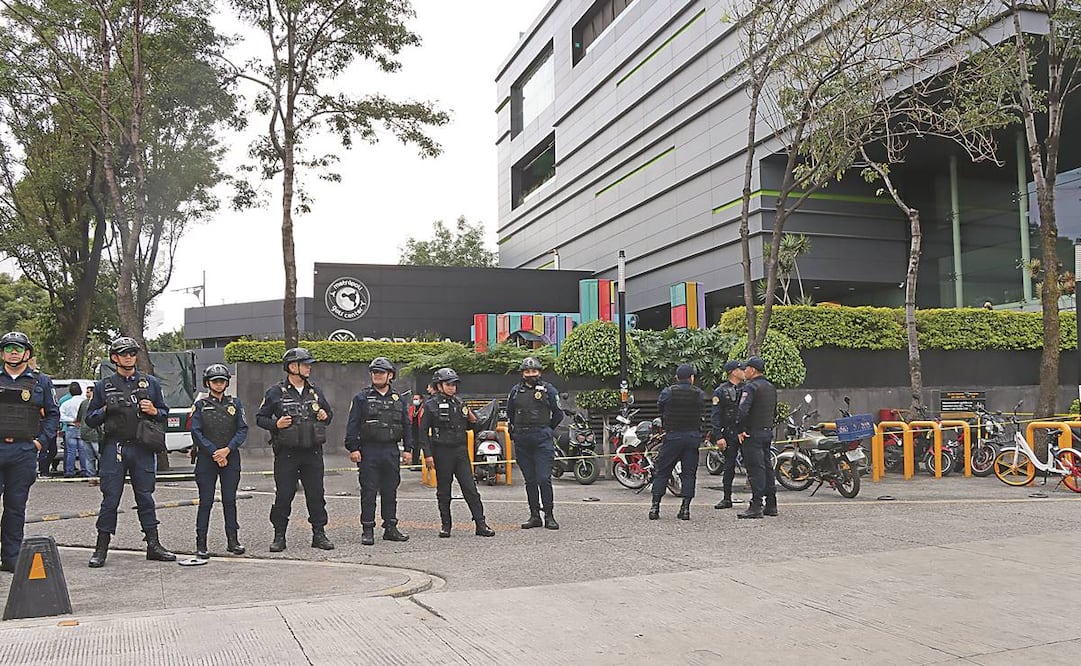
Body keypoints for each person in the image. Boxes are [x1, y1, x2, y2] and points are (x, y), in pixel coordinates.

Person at [84, 336, 175, 567]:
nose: (129, 357)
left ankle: (153, 544)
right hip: (115, 448)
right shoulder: (103, 386)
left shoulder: (150, 383)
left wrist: (154, 410)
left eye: (132, 353)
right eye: (124, 354)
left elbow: (165, 413)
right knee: (110, 499)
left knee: (145, 497)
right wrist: (106, 408)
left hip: (142, 447)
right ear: (114, 358)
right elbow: (90, 420)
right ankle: (101, 547)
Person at [256, 347, 334, 552]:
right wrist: (276, 424)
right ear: (292, 367)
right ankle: (279, 536)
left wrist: (326, 416)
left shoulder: (315, 391)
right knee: (284, 495)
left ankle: (319, 534)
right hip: (287, 454)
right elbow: (260, 418)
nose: (309, 367)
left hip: (313, 452)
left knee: (316, 495)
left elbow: (329, 413)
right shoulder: (275, 392)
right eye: (305, 364)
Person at [0, 332, 59, 573]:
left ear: (27, 353)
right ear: (3, 353)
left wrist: (40, 442)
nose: (13, 351)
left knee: (15, 507)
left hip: (23, 451)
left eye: (18, 348)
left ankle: (11, 557)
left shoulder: (40, 381)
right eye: (9, 347)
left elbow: (53, 415)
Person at [419, 368, 494, 538]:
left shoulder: (460, 403)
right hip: (441, 451)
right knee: (444, 491)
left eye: (454, 384)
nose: (452, 388)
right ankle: (446, 525)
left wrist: (473, 421)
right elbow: (423, 432)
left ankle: (480, 524)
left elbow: (471, 426)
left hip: (460, 451)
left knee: (470, 488)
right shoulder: (430, 405)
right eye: (448, 384)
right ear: (439, 385)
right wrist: (428, 455)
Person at [344, 357, 411, 546]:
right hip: (369, 450)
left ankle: (390, 527)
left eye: (381, 372)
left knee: (390, 490)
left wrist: (408, 449)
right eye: (374, 372)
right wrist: (353, 448)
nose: (377, 375)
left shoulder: (398, 399)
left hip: (391, 449)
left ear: (390, 375)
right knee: (369, 491)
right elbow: (353, 425)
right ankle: (367, 529)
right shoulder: (361, 397)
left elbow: (406, 425)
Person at [190, 364, 248, 559]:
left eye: (222, 380)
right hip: (207, 458)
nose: (219, 384)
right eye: (215, 381)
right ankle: (201, 543)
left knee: (230, 500)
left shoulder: (235, 404)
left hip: (230, 457)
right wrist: (215, 452)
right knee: (205, 501)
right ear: (208, 383)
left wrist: (227, 450)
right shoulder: (200, 405)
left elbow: (242, 429)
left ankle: (233, 541)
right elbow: (196, 432)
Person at [506, 357, 562, 530]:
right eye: (527, 372)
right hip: (523, 440)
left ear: (540, 372)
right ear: (522, 373)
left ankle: (549, 516)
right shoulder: (515, 391)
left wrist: (546, 430)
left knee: (544, 479)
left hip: (542, 439)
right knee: (530, 480)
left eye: (534, 371)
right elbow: (510, 413)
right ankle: (534, 515)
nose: (531, 374)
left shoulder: (549, 390)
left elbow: (558, 414)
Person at [650, 364, 706, 521]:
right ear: (692, 377)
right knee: (689, 474)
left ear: (676, 377)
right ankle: (685, 509)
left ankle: (655, 507)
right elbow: (702, 412)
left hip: (673, 436)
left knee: (663, 471)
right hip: (692, 437)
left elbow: (660, 408)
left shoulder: (668, 392)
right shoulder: (699, 394)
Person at [736, 356, 779, 519]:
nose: (744, 371)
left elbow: (742, 411)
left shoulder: (751, 387)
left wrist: (741, 429)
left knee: (755, 469)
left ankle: (756, 506)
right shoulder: (770, 387)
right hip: (766, 431)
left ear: (753, 370)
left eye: (746, 368)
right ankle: (771, 504)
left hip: (752, 433)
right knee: (767, 468)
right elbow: (774, 411)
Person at [711, 360, 745, 510]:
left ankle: (758, 499)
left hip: (744, 431)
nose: (743, 371)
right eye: (740, 369)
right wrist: (718, 436)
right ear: (732, 371)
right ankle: (726, 498)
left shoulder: (747, 388)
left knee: (753, 464)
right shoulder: (720, 391)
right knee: (729, 466)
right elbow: (716, 415)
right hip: (729, 432)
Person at [59, 383, 89, 478]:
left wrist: (71, 420)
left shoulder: (67, 403)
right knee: (83, 451)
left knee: (70, 452)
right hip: (82, 428)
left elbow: (60, 416)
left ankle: (69, 472)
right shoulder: (85, 402)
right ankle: (85, 471)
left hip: (70, 427)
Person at [77, 386, 100, 479]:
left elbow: (78, 418)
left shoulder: (83, 403)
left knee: (89, 458)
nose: (86, 394)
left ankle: (91, 476)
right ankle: (101, 474)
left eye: (88, 392)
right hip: (94, 433)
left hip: (85, 433)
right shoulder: (98, 403)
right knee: (100, 456)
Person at [407, 392, 425, 471]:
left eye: (416, 399)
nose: (415, 400)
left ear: (421, 400)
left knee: (422, 447)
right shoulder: (412, 408)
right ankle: (415, 463)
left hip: (420, 430)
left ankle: (422, 464)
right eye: (414, 399)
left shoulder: (423, 408)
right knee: (414, 447)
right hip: (413, 430)